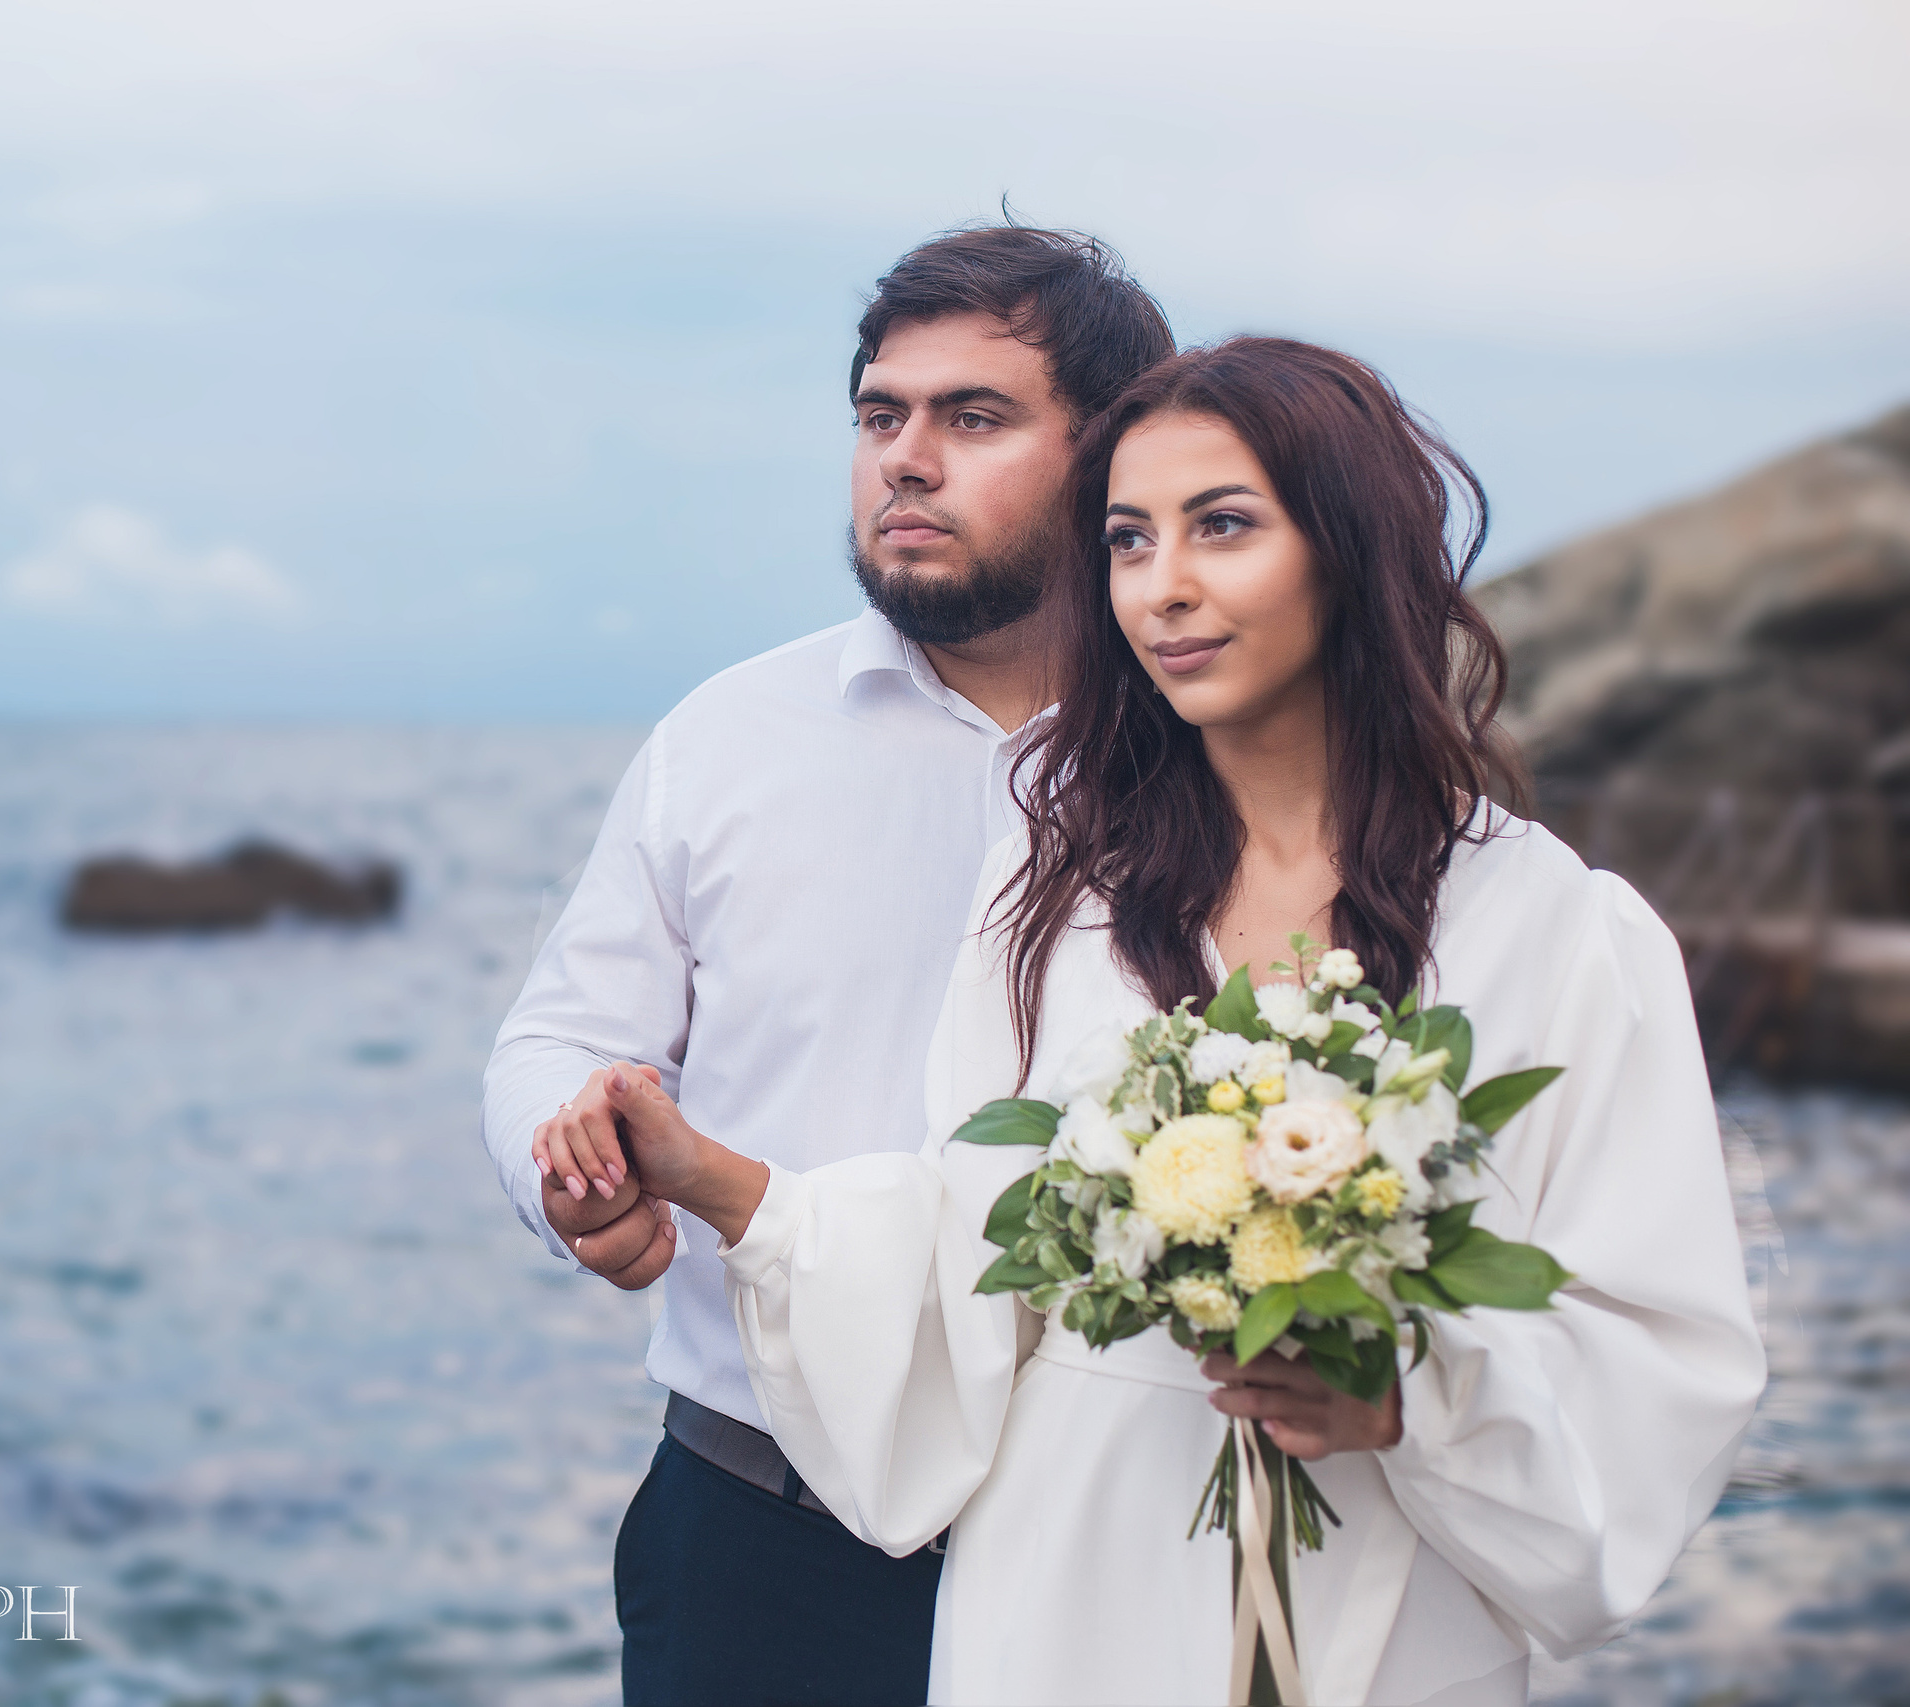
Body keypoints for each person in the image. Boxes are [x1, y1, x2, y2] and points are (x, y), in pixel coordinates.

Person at [562, 338, 1769, 1705]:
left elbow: (1660, 1343)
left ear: (1353, 550)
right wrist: (720, 1183)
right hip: (1065, 1580)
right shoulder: (1061, 897)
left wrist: (1407, 1395)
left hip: (1381, 1586)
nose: (1165, 588)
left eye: (1226, 527)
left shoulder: (1553, 931)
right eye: (1129, 541)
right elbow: (972, 1249)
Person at [480, 226, 1173, 1705]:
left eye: (972, 418)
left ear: (1112, 452)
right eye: (879, 415)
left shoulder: (1208, 756)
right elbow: (559, 1037)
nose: (904, 460)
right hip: (760, 1535)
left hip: (1114, 1535)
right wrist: (568, 1172)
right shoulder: (729, 737)